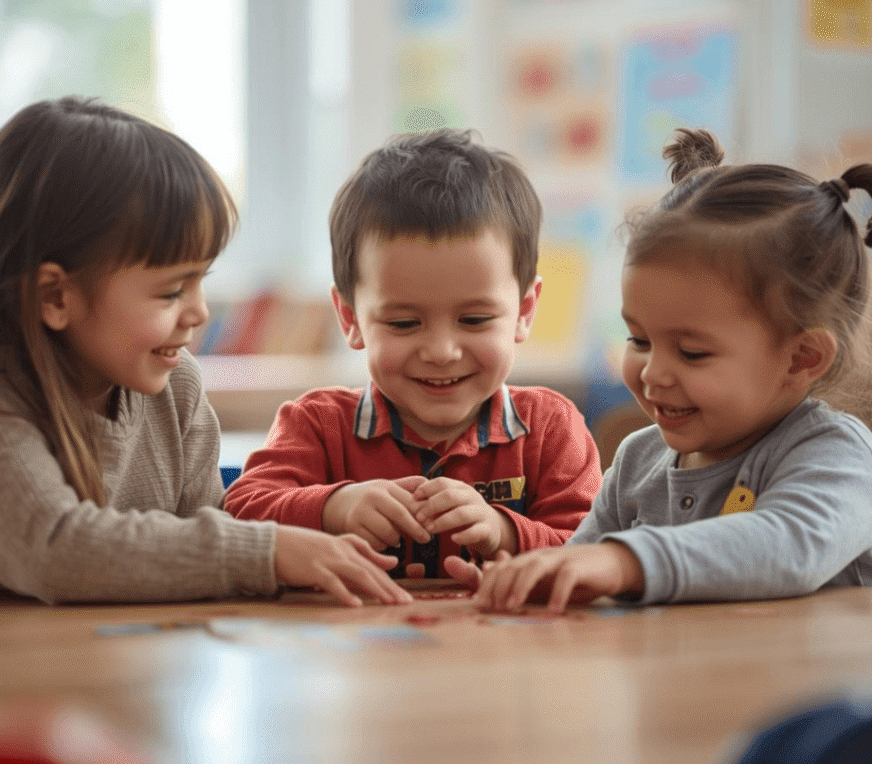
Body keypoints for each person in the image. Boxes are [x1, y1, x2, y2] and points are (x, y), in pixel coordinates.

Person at [0, 96, 411, 607]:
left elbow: (203, 535)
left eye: (200, 282)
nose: (200, 313)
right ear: (54, 296)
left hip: (111, 671)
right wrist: (270, 552)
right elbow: (59, 551)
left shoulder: (175, 386)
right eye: (170, 292)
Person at [461, 127, 872, 611]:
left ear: (801, 359)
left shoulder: (834, 453)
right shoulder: (636, 461)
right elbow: (585, 567)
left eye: (692, 352)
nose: (653, 373)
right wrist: (529, 579)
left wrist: (626, 563)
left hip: (823, 687)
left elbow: (788, 545)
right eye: (639, 340)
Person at [224, 128, 602, 578]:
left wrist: (504, 530)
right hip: (354, 645)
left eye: (475, 320)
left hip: (509, 648)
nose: (442, 352)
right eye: (404, 323)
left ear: (523, 312)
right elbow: (239, 517)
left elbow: (594, 547)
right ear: (350, 318)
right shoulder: (316, 426)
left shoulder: (550, 429)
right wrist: (334, 506)